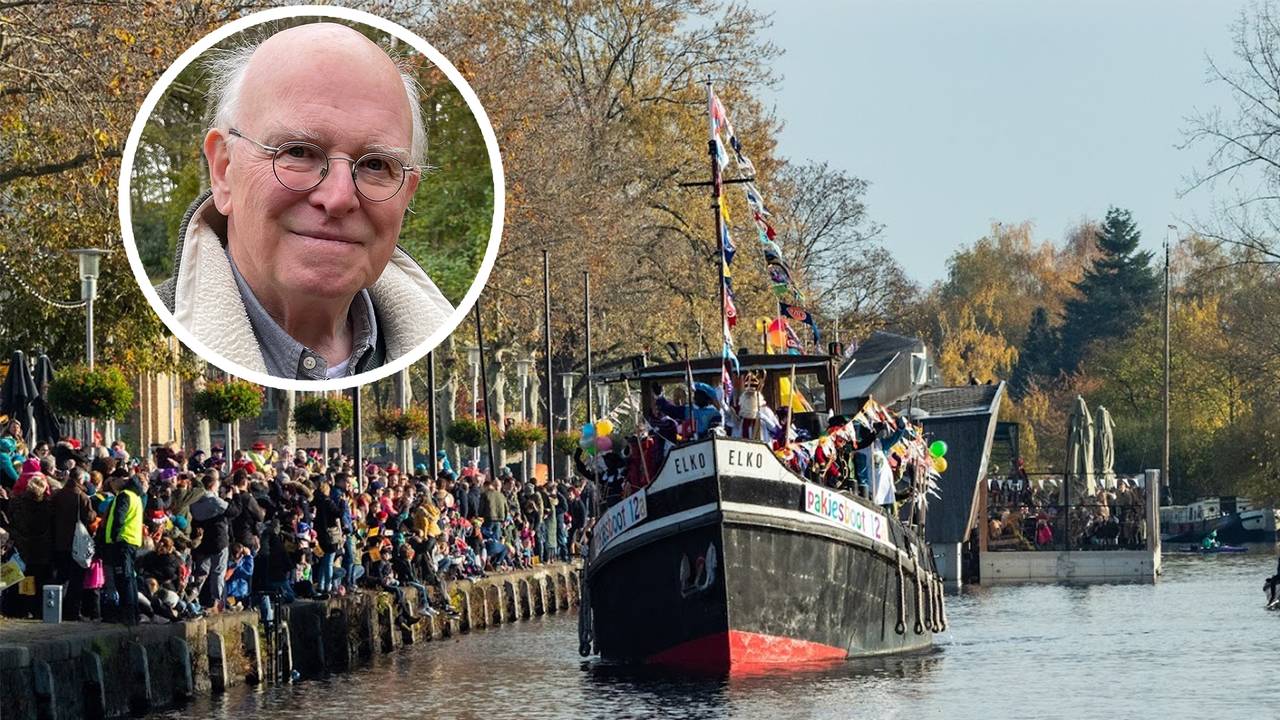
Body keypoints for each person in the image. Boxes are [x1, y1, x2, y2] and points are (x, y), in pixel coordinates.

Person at [154, 23, 454, 379]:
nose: (339, 197)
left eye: (376, 164)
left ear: (406, 192)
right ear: (224, 169)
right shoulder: (153, 333)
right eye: (297, 152)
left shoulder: (439, 343)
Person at [53, 467, 97, 620]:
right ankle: (72, 612)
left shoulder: (57, 495)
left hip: (59, 542)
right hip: (76, 543)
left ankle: (56, 609)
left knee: (61, 577)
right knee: (76, 579)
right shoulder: (82, 497)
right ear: (80, 480)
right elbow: (90, 518)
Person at [104, 472, 148, 625]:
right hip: (132, 541)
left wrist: (115, 535)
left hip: (122, 541)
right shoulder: (136, 497)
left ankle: (128, 614)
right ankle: (133, 612)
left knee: (124, 578)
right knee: (130, 578)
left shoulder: (125, 495)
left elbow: (119, 517)